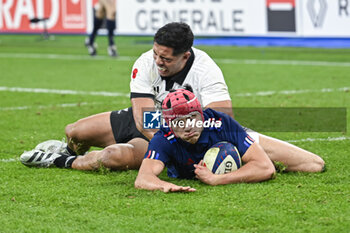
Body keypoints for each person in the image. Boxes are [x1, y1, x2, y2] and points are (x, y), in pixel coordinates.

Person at [20, 22, 324, 175]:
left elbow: (223, 119)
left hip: (191, 131)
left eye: (165, 58)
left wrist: (180, 145)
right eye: (156, 54)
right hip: (151, 122)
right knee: (74, 131)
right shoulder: (144, 62)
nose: (158, 61)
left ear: (185, 56)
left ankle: (60, 160)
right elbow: (141, 117)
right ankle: (68, 147)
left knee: (115, 157)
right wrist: (167, 142)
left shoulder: (207, 70)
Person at [135, 88, 325, 193]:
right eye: (179, 122)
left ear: (201, 114)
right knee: (118, 156)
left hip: (238, 138)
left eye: (193, 117)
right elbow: (143, 178)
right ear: (169, 124)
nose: (188, 126)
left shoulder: (219, 121)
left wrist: (217, 179)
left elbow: (266, 168)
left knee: (315, 164)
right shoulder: (163, 138)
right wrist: (167, 186)